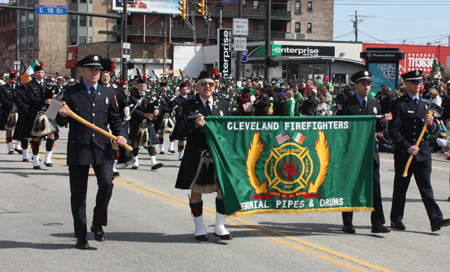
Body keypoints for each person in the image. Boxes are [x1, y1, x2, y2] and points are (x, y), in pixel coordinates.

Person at [56, 54, 128, 249]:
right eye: (91, 69)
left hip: (101, 147)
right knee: (79, 194)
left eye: (98, 70)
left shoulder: (107, 93)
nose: (96, 73)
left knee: (107, 184)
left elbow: (115, 120)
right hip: (79, 147)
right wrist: (61, 114)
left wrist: (121, 135)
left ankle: (98, 223)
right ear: (82, 71)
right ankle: (81, 235)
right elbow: (54, 119)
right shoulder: (70, 92)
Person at [173, 70, 231, 241]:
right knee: (196, 191)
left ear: (215, 86)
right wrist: (195, 125)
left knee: (223, 189)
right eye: (204, 83)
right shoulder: (188, 105)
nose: (208, 87)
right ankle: (199, 227)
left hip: (218, 153)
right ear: (197, 86)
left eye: (211, 84)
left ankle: (220, 226)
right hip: (196, 153)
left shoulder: (224, 104)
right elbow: (177, 133)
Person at [389, 70, 450, 232]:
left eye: (419, 83)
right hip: (405, 154)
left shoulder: (426, 104)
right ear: (406, 84)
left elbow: (436, 130)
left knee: (426, 187)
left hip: (422, 154)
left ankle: (436, 219)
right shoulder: (399, 104)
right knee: (401, 188)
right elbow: (394, 131)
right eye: (414, 82)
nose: (418, 85)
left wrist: (431, 124)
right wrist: (406, 146)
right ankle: (396, 219)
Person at [336, 70, 392, 234]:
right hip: (352, 153)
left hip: (370, 152)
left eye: (368, 84)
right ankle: (347, 222)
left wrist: (382, 122)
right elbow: (339, 129)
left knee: (374, 187)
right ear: (356, 86)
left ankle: (377, 223)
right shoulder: (346, 105)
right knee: (350, 187)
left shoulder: (374, 104)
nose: (366, 87)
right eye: (363, 84)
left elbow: (377, 127)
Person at [24, 66, 58, 169]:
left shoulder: (48, 84)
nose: (40, 74)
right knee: (36, 136)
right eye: (38, 72)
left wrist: (53, 95)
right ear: (34, 74)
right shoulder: (29, 85)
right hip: (36, 112)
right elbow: (30, 99)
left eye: (42, 72)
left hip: (48, 111)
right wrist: (43, 101)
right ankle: (35, 159)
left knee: (51, 134)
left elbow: (52, 94)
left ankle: (48, 157)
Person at [129, 79, 163, 170]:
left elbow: (156, 105)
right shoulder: (132, 96)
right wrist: (144, 114)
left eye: (144, 86)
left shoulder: (149, 95)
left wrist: (156, 110)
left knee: (150, 142)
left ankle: (153, 162)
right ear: (137, 86)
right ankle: (135, 161)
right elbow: (132, 110)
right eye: (140, 86)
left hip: (148, 122)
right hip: (136, 121)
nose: (142, 87)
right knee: (135, 143)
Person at [172, 82, 194, 160]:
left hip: (190, 119)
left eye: (186, 89)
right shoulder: (176, 100)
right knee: (181, 139)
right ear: (180, 90)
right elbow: (175, 109)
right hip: (181, 120)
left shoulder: (191, 98)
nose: (185, 91)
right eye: (183, 89)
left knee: (191, 139)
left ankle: (188, 153)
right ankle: (180, 154)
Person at [0, 73, 19, 154]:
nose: (13, 81)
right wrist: (11, 103)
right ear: (8, 80)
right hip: (8, 110)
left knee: (19, 128)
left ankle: (18, 145)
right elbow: (2, 98)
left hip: (18, 111)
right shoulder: (3, 88)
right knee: (9, 129)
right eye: (11, 79)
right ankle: (10, 147)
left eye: (14, 79)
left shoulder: (19, 88)